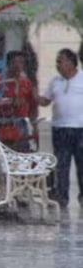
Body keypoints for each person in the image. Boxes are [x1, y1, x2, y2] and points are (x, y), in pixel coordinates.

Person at [37, 48, 83, 210]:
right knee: (62, 165)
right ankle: (61, 198)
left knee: (82, 165)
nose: (57, 65)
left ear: (70, 62)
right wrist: (35, 98)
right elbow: (46, 102)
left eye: (60, 61)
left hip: (80, 130)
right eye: (57, 61)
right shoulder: (55, 82)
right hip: (60, 129)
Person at [0, 50, 38, 152]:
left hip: (20, 126)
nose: (18, 66)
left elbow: (32, 106)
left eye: (21, 63)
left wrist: (34, 126)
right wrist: (5, 103)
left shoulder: (26, 83)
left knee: (22, 156)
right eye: (15, 62)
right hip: (1, 125)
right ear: (8, 64)